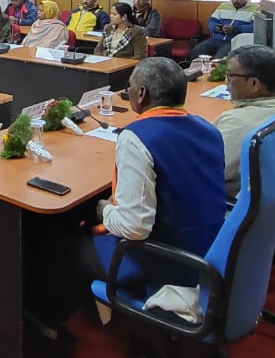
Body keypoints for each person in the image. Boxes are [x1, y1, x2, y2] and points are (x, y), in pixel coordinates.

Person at [83, 58, 226, 294]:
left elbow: (135, 228)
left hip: (169, 260)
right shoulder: (209, 129)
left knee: (70, 244)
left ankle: (99, 308)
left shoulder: (136, 137)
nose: (127, 91)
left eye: (129, 86)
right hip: (213, 249)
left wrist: (105, 211)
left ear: (141, 93)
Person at [215, 45, 275, 200]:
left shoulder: (237, 122)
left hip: (223, 199)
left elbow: (210, 170)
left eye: (230, 76)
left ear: (254, 84)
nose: (225, 83)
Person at [188, 0, 258, 62]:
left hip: (232, 42)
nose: (235, 1)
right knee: (194, 54)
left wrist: (236, 29)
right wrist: (216, 28)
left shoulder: (255, 9)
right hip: (216, 39)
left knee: (219, 60)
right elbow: (211, 21)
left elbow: (255, 27)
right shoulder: (224, 6)